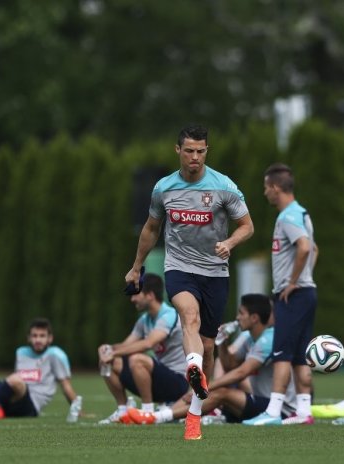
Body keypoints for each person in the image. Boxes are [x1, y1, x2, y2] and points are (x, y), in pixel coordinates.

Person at [124, 125, 254, 440]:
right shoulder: (164, 188)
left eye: (201, 151)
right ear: (178, 150)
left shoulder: (224, 186)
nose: (195, 157)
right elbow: (151, 228)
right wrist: (136, 267)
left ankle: (194, 414)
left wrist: (230, 243)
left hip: (215, 273)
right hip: (179, 267)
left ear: (207, 151)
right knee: (189, 316)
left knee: (208, 346)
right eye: (189, 151)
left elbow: (247, 226)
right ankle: (192, 367)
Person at [127, 293, 297, 425]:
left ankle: (157, 417)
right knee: (208, 391)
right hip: (259, 401)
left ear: (254, 318)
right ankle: (161, 415)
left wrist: (206, 387)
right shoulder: (248, 337)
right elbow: (230, 364)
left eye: (241, 313)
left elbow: (241, 372)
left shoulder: (269, 338)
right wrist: (222, 343)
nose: (237, 317)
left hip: (280, 410)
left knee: (221, 393)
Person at [243, 163, 318, 426]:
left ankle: (273, 411)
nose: (265, 192)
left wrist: (293, 282)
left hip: (292, 296)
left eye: (266, 187)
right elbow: (314, 250)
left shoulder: (288, 216)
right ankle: (304, 411)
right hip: (306, 293)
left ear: (275, 188)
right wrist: (305, 279)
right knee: (298, 355)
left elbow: (305, 248)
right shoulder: (302, 213)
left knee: (282, 353)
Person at [98, 273, 188, 424]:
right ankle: (122, 410)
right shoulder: (144, 320)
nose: (132, 299)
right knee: (109, 360)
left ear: (150, 295)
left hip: (179, 382)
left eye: (136, 294)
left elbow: (148, 344)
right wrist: (107, 349)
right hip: (158, 380)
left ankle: (147, 412)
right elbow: (126, 346)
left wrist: (113, 352)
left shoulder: (169, 315)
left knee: (137, 359)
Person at [0, 318, 80, 418]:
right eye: (34, 336)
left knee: (15, 380)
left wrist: (78, 411)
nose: (38, 340)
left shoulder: (55, 355)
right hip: (13, 399)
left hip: (30, 406)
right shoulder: (21, 353)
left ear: (50, 338)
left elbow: (66, 386)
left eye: (42, 336)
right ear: (29, 338)